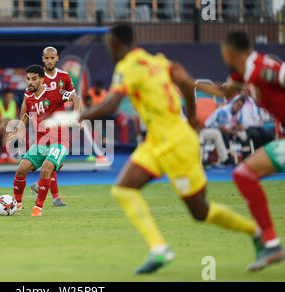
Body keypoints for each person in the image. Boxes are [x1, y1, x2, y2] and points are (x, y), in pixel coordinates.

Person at [47, 24, 260, 274]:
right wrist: (191, 115)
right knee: (124, 189)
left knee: (200, 211)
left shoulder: (127, 67)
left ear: (115, 45)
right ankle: (159, 249)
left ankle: (256, 232)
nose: (109, 49)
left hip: (176, 143)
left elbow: (110, 106)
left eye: (108, 45)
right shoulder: (158, 61)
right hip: (158, 141)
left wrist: (72, 119)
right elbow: (184, 81)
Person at [196, 30, 285, 271]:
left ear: (228, 51)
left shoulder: (262, 67)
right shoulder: (241, 74)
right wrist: (191, 83)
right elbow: (225, 92)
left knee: (244, 174)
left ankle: (271, 243)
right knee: (243, 174)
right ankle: (272, 244)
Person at [10, 64, 81, 216]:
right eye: (28, 79)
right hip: (41, 142)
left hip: (60, 140)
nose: (30, 82)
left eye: (34, 79)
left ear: (42, 80)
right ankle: (18, 204)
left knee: (46, 168)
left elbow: (76, 98)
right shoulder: (29, 98)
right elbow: (27, 115)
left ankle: (38, 208)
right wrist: (20, 127)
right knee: (21, 169)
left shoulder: (55, 93)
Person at [0, 88, 18, 163]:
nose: (9, 99)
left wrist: (8, 121)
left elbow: (15, 119)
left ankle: (7, 155)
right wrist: (7, 120)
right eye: (7, 97)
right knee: (8, 130)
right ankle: (5, 155)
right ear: (3, 97)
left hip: (9, 127)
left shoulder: (13, 104)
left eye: (11, 97)